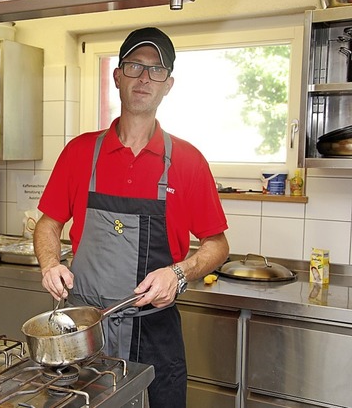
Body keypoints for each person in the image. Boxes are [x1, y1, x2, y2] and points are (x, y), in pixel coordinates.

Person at [33, 27, 229, 408]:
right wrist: (49, 263)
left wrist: (178, 273)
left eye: (156, 70)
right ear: (117, 76)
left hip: (154, 334)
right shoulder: (79, 153)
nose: (144, 78)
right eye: (135, 66)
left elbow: (217, 244)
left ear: (168, 84)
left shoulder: (188, 162)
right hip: (84, 332)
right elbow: (48, 224)